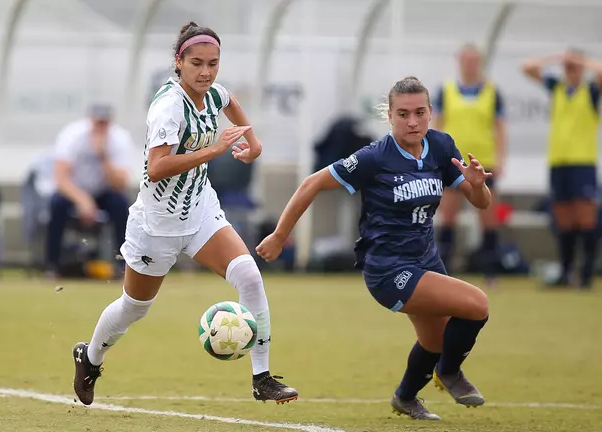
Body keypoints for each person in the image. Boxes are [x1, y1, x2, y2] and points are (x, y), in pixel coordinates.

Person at [71, 22, 298, 406]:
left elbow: (231, 103)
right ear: (179, 62)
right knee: (134, 308)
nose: (206, 72)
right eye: (196, 63)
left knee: (250, 277)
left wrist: (254, 144)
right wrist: (214, 150)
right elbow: (157, 167)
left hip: (200, 210)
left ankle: (262, 378)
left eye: (213, 63)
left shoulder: (213, 93)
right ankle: (89, 358)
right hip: (156, 224)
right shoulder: (168, 106)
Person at [257, 77, 491, 420]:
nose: (412, 121)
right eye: (403, 113)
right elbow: (311, 184)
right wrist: (280, 236)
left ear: (430, 113)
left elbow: (481, 203)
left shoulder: (441, 146)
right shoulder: (374, 157)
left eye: (420, 112)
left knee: (435, 340)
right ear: (390, 116)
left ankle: (406, 398)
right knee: (477, 304)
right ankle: (450, 372)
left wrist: (478, 186)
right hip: (388, 269)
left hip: (426, 260)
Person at [522, 49, 602, 288]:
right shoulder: (557, 88)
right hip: (558, 162)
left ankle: (586, 273)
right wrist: (556, 59)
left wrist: (582, 61)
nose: (570, 69)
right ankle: (566, 272)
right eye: (568, 67)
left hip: (582, 162)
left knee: (585, 218)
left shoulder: (590, 92)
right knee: (564, 218)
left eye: (573, 66)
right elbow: (527, 66)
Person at [433, 44, 507, 284]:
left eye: (475, 60)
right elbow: (438, 125)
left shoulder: (492, 92)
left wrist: (500, 159)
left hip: (483, 163)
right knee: (448, 215)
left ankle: (490, 271)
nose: (471, 64)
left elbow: (499, 129)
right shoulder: (446, 90)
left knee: (488, 216)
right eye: (467, 60)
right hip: (453, 161)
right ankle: (444, 269)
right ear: (459, 61)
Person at [46, 104, 134, 278]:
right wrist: (83, 201)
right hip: (75, 190)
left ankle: (123, 265)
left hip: (104, 190)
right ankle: (52, 264)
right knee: (56, 205)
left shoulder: (120, 139)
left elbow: (120, 183)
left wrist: (102, 156)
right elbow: (61, 179)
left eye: (104, 123)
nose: (100, 128)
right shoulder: (72, 135)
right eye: (97, 122)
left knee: (121, 204)